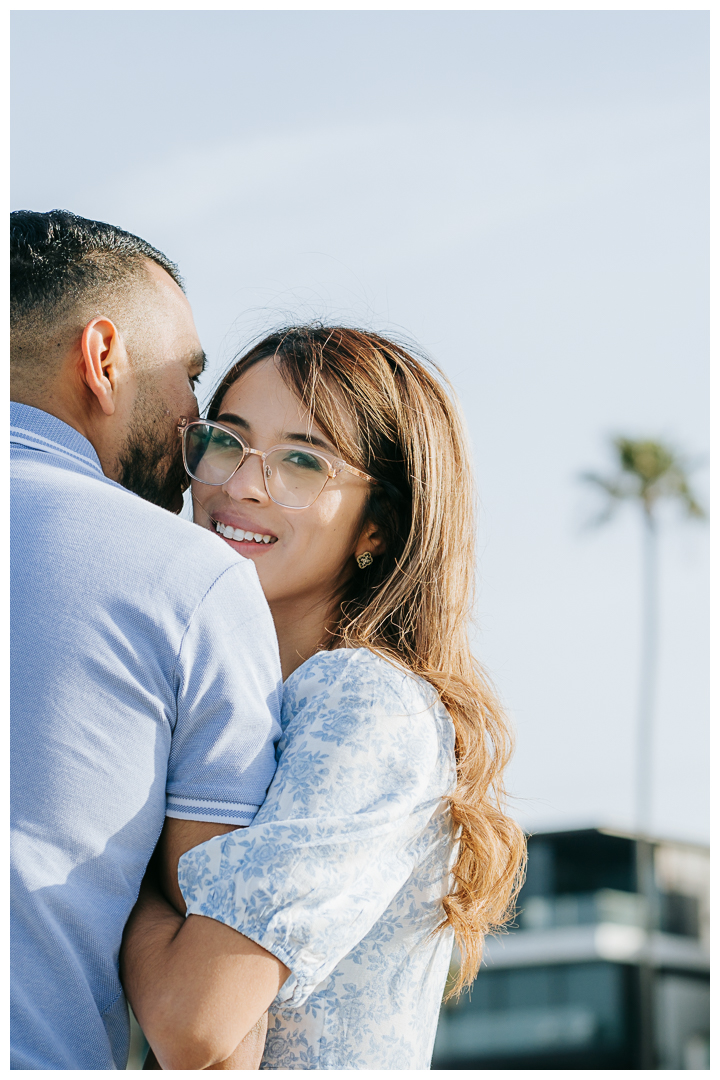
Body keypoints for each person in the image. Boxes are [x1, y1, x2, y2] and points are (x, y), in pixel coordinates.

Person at [121, 326, 527, 1070]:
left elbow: (194, 1022)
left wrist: (112, 869)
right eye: (225, 441)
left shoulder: (364, 702)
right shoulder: (233, 691)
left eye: (302, 462)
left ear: (379, 527)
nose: (241, 484)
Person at [10, 210, 283, 1070]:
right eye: (188, 377)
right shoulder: (188, 581)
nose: (194, 421)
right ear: (102, 359)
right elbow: (214, 1046)